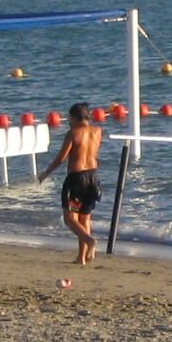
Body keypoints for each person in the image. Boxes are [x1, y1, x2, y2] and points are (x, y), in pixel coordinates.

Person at [38, 102, 102, 265]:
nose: (68, 121)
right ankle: (81, 258)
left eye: (70, 118)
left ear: (74, 118)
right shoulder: (97, 131)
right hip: (93, 179)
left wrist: (46, 173)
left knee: (70, 219)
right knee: (84, 219)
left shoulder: (72, 133)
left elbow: (61, 159)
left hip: (77, 182)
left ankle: (90, 240)